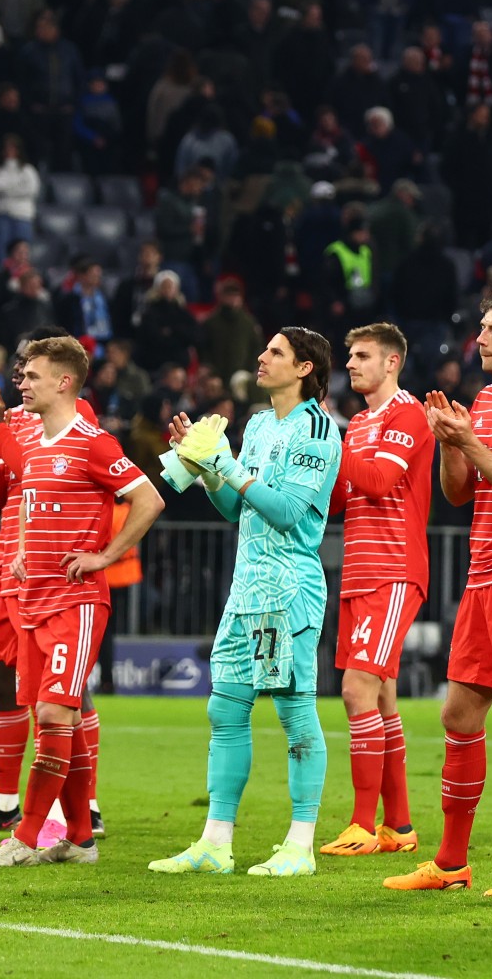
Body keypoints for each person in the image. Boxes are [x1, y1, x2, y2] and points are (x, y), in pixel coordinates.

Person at [384, 288, 492, 900]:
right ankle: (451, 862)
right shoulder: (483, 399)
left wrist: (472, 444)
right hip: (483, 569)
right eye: (481, 330)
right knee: (458, 714)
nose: (480, 340)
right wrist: (448, 442)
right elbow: (459, 494)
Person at [149, 328, 341, 878]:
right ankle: (215, 842)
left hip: (288, 589)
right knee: (225, 709)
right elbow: (236, 510)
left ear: (305, 368)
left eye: (276, 352)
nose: (261, 357)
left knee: (292, 710)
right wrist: (208, 466)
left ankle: (301, 844)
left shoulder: (320, 429)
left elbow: (284, 512)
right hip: (246, 587)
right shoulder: (257, 424)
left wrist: (228, 465)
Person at [0, 337, 164, 866]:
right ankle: (80, 840)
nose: (22, 383)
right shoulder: (32, 440)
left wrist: (105, 556)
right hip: (33, 594)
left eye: (32, 375)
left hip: (75, 602)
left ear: (63, 382)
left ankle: (26, 836)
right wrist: (21, 551)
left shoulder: (94, 442)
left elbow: (148, 499)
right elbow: (23, 501)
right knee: (58, 718)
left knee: (58, 715)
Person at [0, 343, 106, 838]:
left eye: (30, 368)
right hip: (7, 559)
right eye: (18, 368)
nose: (20, 376)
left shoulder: (73, 414)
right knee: (4, 681)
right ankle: (3, 805)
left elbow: (38, 472)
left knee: (57, 693)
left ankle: (82, 808)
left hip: (50, 567)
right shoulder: (12, 418)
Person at [319, 323, 436, 858]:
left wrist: (325, 438)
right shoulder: (361, 423)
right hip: (360, 572)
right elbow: (344, 497)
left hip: (393, 569)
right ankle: (400, 826)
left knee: (355, 691)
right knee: (382, 697)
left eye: (363, 356)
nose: (352, 364)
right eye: (350, 356)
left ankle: (363, 824)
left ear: (392, 362)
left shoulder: (406, 415)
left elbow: (380, 483)